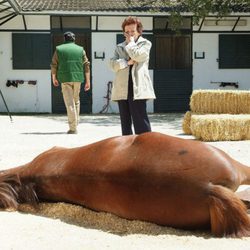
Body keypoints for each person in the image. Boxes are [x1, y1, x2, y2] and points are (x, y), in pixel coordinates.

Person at [109, 16, 156, 135]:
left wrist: (130, 44)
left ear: (139, 31)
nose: (129, 35)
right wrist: (126, 62)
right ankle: (127, 149)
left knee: (140, 120)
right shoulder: (119, 46)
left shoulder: (146, 43)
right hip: (122, 87)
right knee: (125, 123)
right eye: (127, 32)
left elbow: (138, 56)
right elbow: (111, 64)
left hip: (138, 87)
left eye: (132, 32)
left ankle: (146, 147)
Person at [51, 31, 90, 134]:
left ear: (64, 39)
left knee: (69, 103)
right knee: (76, 101)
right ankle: (75, 124)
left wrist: (54, 78)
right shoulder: (80, 49)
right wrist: (88, 81)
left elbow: (54, 64)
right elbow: (86, 65)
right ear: (74, 39)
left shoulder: (59, 49)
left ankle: (73, 128)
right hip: (78, 78)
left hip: (65, 78)